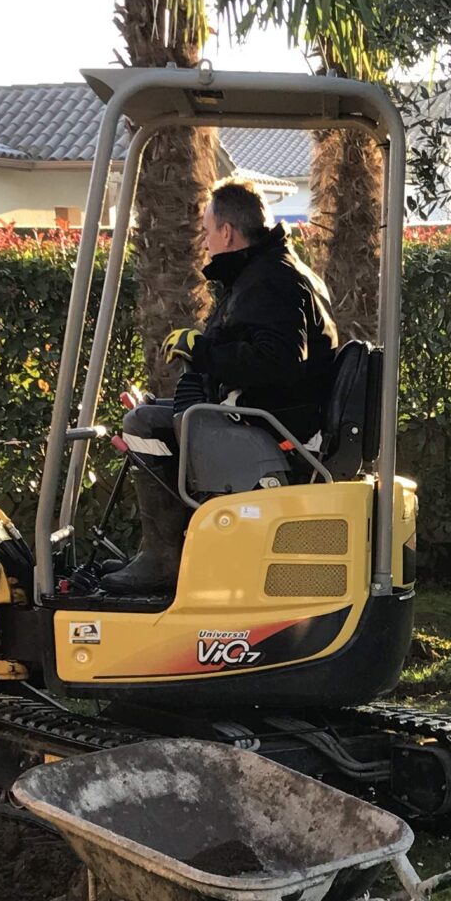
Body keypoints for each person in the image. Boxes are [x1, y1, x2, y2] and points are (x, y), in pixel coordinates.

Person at [108, 180, 339, 594]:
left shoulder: (268, 281)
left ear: (228, 232)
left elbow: (278, 362)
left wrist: (202, 352)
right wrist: (205, 354)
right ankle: (166, 555)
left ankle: (162, 561)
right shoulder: (273, 273)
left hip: (277, 430)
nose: (205, 240)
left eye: (207, 230)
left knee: (142, 425)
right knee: (156, 414)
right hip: (277, 417)